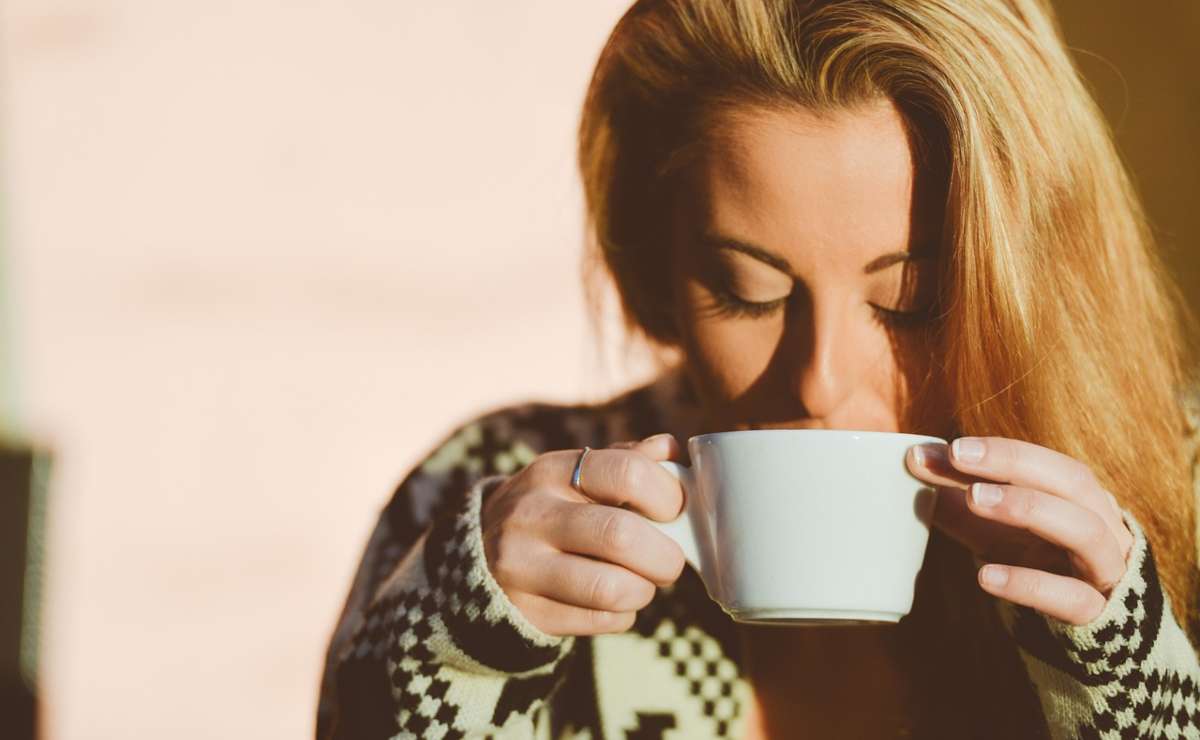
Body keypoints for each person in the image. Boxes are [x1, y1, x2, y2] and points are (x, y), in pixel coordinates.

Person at [317, 0, 1200, 737]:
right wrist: (452, 659)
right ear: (657, 269)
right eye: (748, 291)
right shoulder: (490, 493)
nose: (817, 381)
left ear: (1036, 274)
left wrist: (1131, 687)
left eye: (912, 303)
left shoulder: (1179, 487)